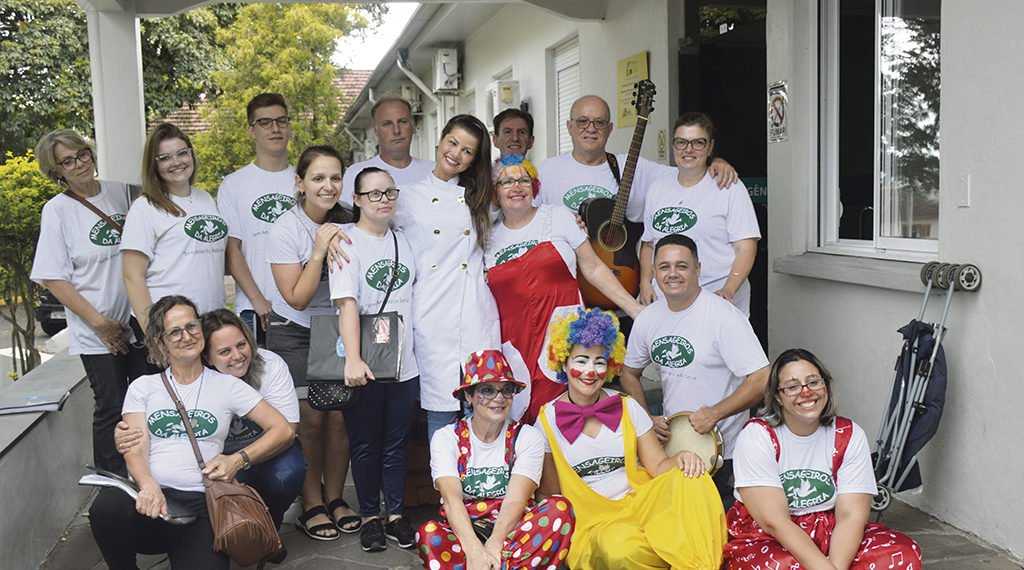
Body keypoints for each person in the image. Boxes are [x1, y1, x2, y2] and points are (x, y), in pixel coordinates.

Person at [88, 296, 292, 569]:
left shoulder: (227, 386)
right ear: (160, 343)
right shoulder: (143, 387)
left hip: (201, 505)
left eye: (192, 326)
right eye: (175, 331)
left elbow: (283, 429)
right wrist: (148, 485)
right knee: (106, 508)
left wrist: (238, 459)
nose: (186, 336)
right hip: (150, 500)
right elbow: (134, 446)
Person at [536, 308, 725, 569]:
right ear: (564, 363)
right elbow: (550, 494)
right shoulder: (546, 421)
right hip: (594, 523)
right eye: (581, 361)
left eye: (599, 362)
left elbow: (658, 466)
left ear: (610, 365)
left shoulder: (628, 406)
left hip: (641, 505)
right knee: (619, 549)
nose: (590, 371)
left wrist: (682, 458)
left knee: (692, 477)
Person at [724, 348, 923, 569]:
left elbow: (850, 516)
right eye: (792, 387)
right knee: (781, 566)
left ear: (825, 386)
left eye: (813, 382)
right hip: (769, 537)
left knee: (902, 554)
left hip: (832, 529)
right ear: (778, 396)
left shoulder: (848, 434)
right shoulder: (757, 436)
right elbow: (774, 522)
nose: (806, 392)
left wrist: (835, 566)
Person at [484, 154, 643, 424]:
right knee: (519, 419)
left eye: (524, 180)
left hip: (561, 339)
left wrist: (635, 308)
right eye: (506, 182)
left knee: (564, 419)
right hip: (513, 345)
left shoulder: (557, 217)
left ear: (534, 188)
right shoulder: (486, 236)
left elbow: (593, 268)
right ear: (496, 193)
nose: (516, 186)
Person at [620, 233, 769, 509]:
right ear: (653, 271)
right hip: (674, 451)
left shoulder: (723, 317)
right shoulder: (648, 319)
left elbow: (762, 378)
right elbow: (628, 373)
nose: (672, 273)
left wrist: (716, 413)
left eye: (682, 266)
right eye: (664, 266)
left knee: (721, 534)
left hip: (725, 454)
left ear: (698, 269)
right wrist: (647, 418)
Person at [31, 128, 149, 476]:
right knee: (112, 407)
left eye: (82, 154)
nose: (79, 163)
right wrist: (100, 324)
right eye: (67, 161)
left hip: (139, 321)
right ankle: (112, 482)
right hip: (96, 331)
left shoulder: (124, 193)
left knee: (147, 401)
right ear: (57, 172)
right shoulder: (58, 211)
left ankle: (151, 476)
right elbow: (53, 277)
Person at [266, 145, 358, 540]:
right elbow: (297, 297)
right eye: (318, 178)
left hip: (338, 330)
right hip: (294, 330)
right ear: (300, 183)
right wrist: (320, 248)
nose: (328, 186)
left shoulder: (351, 222)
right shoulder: (285, 228)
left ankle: (335, 497)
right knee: (309, 421)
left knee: (338, 419)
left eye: (335, 178)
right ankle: (311, 503)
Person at [328, 167, 419, 552]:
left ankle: (395, 515)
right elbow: (346, 303)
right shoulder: (346, 242)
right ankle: (370, 518)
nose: (384, 199)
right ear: (358, 199)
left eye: (389, 192)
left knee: (396, 442)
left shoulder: (404, 240)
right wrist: (353, 358)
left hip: (404, 361)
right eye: (374, 194)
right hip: (365, 361)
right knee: (365, 443)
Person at [393, 114, 501, 439]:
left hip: (474, 312)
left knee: (484, 405)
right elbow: (372, 227)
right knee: (440, 412)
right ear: (441, 139)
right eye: (453, 143)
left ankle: (484, 486)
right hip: (430, 313)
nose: (456, 154)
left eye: (467, 151)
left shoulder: (482, 198)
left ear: (473, 161)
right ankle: (445, 489)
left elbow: (523, 212)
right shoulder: (407, 197)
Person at [417, 349, 575, 570]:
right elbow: (452, 500)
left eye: (506, 390)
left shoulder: (527, 437)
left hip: (514, 533)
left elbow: (516, 500)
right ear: (469, 396)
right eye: (487, 390)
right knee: (429, 534)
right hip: (466, 532)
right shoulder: (446, 438)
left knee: (560, 508)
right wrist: (474, 551)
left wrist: (494, 546)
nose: (499, 398)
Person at [537, 95, 738, 225]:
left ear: (609, 129)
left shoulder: (630, 165)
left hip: (620, 275)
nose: (591, 128)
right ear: (569, 127)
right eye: (582, 121)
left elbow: (687, 172)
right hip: (565, 278)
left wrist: (715, 161)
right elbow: (531, 220)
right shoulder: (548, 170)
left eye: (599, 122)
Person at [639, 112, 760, 315]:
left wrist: (728, 290)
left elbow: (745, 246)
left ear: (710, 147)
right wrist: (645, 282)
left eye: (698, 143)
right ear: (673, 145)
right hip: (666, 302)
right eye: (681, 142)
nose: (688, 149)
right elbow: (649, 244)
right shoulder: (657, 188)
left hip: (718, 298)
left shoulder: (729, 187)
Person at [121, 123, 227, 332]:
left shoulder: (204, 199)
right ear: (154, 165)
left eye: (182, 153)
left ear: (191, 155)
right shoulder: (145, 207)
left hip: (210, 319)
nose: (176, 162)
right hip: (170, 326)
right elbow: (132, 276)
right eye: (165, 158)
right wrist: (152, 333)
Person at [219, 93, 297, 345]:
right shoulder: (234, 185)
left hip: (301, 309)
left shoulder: (306, 181)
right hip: (255, 310)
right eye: (265, 122)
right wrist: (257, 299)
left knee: (300, 385)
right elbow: (232, 250)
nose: (275, 129)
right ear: (250, 131)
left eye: (281, 121)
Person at [340, 96, 434, 206]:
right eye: (387, 124)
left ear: (412, 126)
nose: (396, 130)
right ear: (376, 130)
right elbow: (345, 219)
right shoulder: (356, 174)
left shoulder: (434, 172)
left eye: (403, 122)